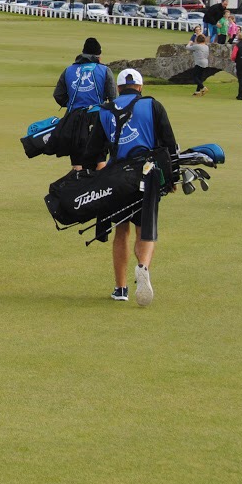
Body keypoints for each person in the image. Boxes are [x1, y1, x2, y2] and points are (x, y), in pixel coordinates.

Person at [84, 68, 178, 306]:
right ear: (140, 87)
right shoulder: (153, 105)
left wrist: (102, 169)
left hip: (117, 177)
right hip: (148, 174)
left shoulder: (104, 111)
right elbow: (169, 144)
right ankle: (143, 266)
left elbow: (93, 152)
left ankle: (121, 288)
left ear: (118, 89)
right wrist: (172, 178)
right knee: (145, 229)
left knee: (121, 230)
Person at [52, 37, 115, 168]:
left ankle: (77, 186)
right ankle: (99, 187)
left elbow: (58, 95)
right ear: (99, 56)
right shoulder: (104, 70)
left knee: (77, 161)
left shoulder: (69, 70)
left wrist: (71, 103)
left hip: (74, 117)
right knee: (100, 159)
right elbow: (113, 98)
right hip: (97, 117)